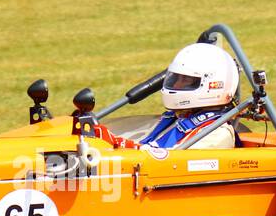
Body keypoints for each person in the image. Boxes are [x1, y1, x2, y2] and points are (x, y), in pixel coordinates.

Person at [91, 43, 240, 150]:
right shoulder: (175, 118)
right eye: (175, 79)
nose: (175, 86)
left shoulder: (216, 134)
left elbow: (168, 165)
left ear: (213, 85)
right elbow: (147, 146)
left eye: (185, 81)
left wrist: (117, 144)